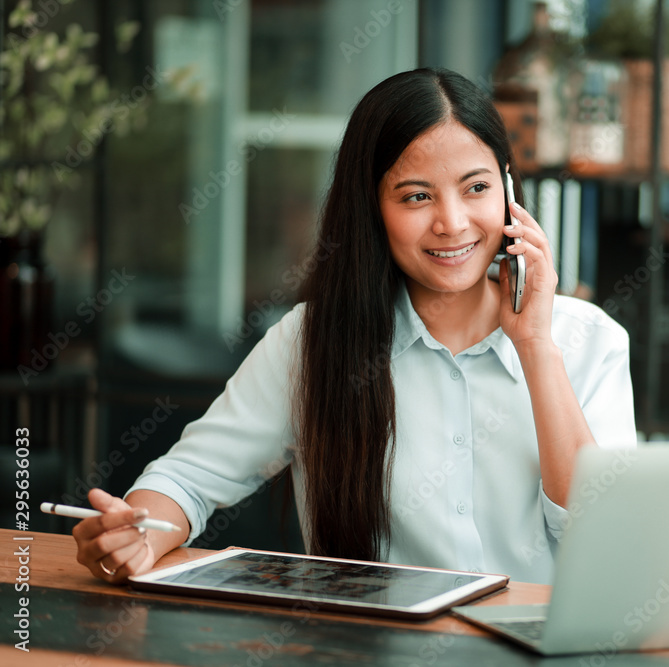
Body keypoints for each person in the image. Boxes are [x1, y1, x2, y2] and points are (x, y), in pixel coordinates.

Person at [72, 68, 636, 586]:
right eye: (417, 196)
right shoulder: (312, 341)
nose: (453, 223)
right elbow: (187, 481)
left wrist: (536, 347)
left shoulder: (591, 342)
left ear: (509, 191)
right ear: (372, 207)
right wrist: (138, 533)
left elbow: (607, 540)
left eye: (477, 188)